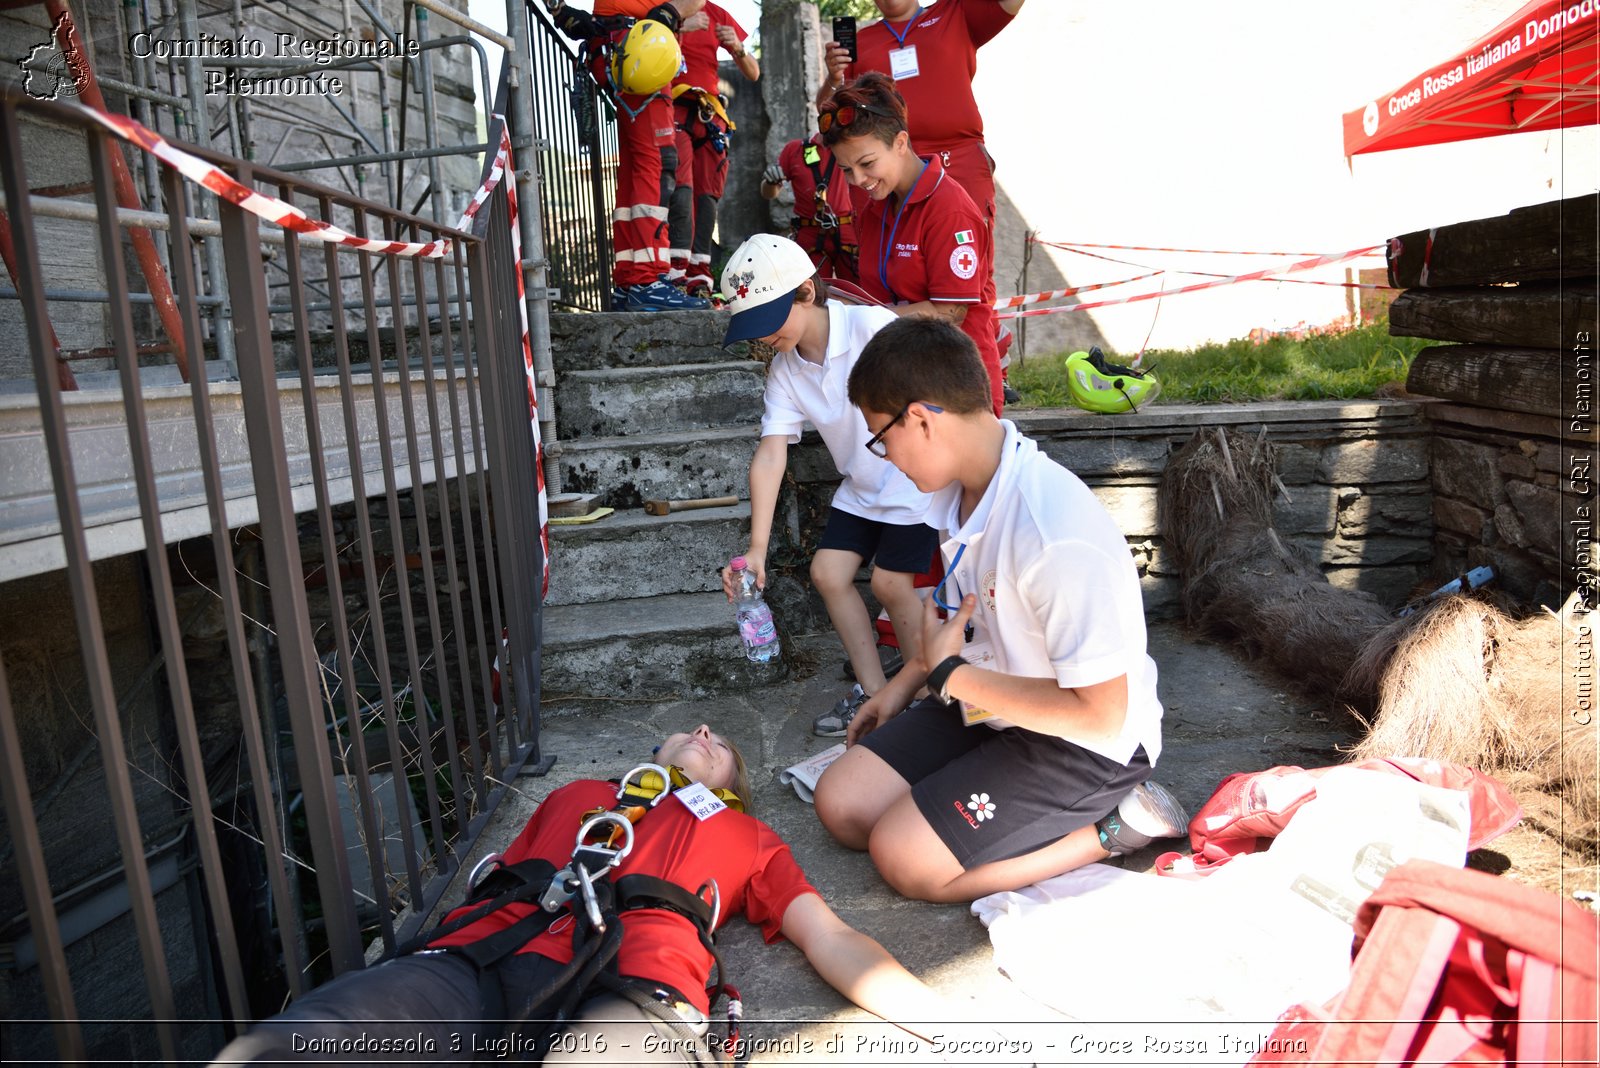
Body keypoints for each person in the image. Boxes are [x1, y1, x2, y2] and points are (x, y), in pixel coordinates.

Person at [213, 724, 1010, 1064]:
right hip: (485, 952)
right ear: (651, 750)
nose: (704, 736)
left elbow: (831, 939)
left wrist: (946, 1023)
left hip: (639, 983)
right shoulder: (578, 793)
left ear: (734, 783)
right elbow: (494, 874)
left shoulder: (749, 839)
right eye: (691, 731)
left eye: (722, 744)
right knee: (301, 1043)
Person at [811, 317, 1188, 903]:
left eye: (880, 437)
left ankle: (1115, 830)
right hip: (988, 702)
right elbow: (961, 616)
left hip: (1084, 743)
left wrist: (949, 678)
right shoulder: (958, 491)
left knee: (904, 861)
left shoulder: (1051, 533)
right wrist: (903, 685)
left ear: (920, 417)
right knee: (841, 803)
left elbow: (1101, 716)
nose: (884, 457)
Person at [718, 233, 932, 737]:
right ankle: (876, 695)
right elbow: (771, 454)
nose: (762, 337)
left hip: (913, 483)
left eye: (768, 321)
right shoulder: (786, 371)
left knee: (891, 584)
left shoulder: (873, 330)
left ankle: (926, 698)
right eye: (751, 327)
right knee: (828, 573)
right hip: (862, 488)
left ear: (807, 293)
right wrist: (757, 549)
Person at [820, 73, 1004, 416]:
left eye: (867, 164)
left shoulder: (949, 207)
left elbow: (950, 313)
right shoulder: (877, 209)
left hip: (957, 391)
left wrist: (863, 318)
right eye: (846, 170)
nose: (858, 181)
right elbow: (878, 297)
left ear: (901, 143)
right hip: (907, 382)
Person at [553, 0, 709, 312]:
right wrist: (671, 13)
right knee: (655, 163)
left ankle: (629, 279)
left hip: (616, 49)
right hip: (640, 50)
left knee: (635, 167)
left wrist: (559, 9)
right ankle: (645, 279)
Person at [818, 0, 1025, 227]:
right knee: (891, 255)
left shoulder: (954, 14)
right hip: (887, 166)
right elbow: (827, 112)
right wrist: (834, 79)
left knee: (965, 251)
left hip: (957, 157)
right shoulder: (860, 42)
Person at [666, 3, 758, 297]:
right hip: (675, 107)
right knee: (680, 188)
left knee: (707, 195)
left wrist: (737, 47)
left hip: (710, 114)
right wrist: (677, 27)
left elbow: (753, 73)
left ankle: (699, 274)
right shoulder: (663, 9)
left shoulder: (717, 14)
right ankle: (676, 271)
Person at [761, 134, 861, 283]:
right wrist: (770, 182)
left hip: (846, 230)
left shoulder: (851, 147)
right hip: (810, 234)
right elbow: (769, 194)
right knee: (813, 293)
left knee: (858, 291)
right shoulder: (795, 150)